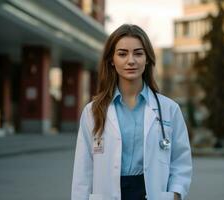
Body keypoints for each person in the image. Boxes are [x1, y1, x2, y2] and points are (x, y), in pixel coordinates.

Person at [71, 24, 192, 200]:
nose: (131, 60)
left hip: (151, 193)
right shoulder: (93, 111)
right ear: (111, 60)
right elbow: (83, 170)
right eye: (122, 54)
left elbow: (181, 160)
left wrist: (174, 194)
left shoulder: (169, 109)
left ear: (148, 59)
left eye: (138, 53)